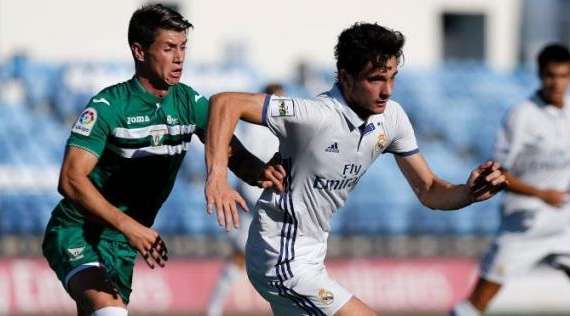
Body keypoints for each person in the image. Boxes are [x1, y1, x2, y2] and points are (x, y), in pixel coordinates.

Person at [204, 22, 507, 316]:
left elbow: (429, 190)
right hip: (280, 257)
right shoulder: (315, 115)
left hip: (310, 257)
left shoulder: (392, 118)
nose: (387, 90)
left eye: (392, 78)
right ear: (345, 78)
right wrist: (217, 177)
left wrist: (469, 192)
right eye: (375, 79)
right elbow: (226, 102)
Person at [41, 4, 285, 316]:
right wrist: (131, 226)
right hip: (79, 230)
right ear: (139, 51)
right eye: (169, 48)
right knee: (110, 312)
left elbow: (235, 155)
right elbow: (70, 179)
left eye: (183, 47)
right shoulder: (109, 106)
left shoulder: (187, 101)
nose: (180, 57)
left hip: (125, 240)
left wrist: (267, 173)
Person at [451, 44, 570, 316]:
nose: (557, 83)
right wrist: (540, 194)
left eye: (563, 76)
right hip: (523, 225)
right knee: (477, 303)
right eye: (551, 75)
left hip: (564, 225)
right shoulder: (522, 116)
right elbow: (497, 172)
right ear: (540, 74)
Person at [206, 83, 284, 316]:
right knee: (240, 259)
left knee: (277, 261)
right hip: (255, 205)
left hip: (271, 202)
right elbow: (246, 162)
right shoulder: (255, 129)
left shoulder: (278, 129)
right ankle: (213, 310)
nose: (284, 104)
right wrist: (263, 198)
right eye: (279, 99)